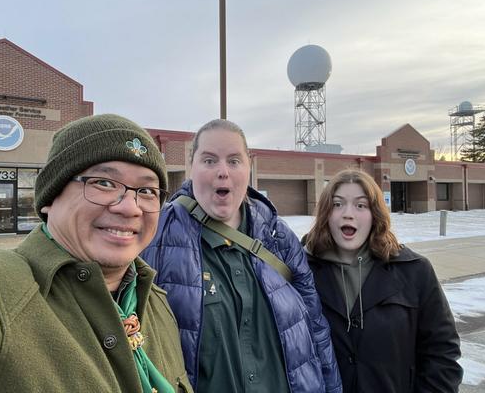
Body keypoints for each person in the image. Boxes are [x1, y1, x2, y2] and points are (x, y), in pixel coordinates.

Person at [0, 114, 192, 393]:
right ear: (51, 197)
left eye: (146, 190)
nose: (130, 208)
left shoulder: (157, 304)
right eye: (104, 183)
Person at [141, 119, 342, 393]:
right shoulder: (155, 236)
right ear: (192, 168)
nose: (223, 171)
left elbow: (316, 328)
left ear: (249, 167)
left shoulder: (278, 236)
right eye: (209, 161)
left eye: (234, 161)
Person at [303, 169, 463, 392]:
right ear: (326, 214)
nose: (348, 214)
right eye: (338, 204)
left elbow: (441, 353)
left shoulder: (415, 271)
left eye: (361, 205)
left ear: (375, 213)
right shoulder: (301, 274)